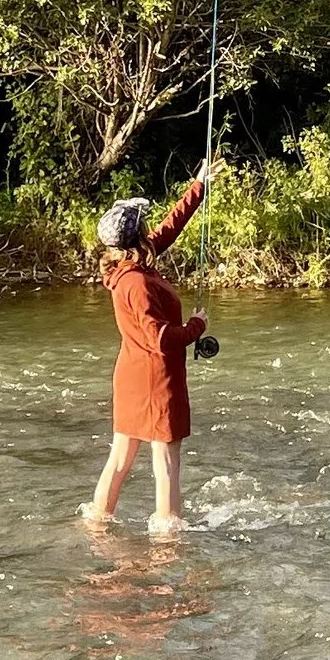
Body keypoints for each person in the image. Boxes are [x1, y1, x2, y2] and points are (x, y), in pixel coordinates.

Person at [83, 166, 215, 537]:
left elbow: (170, 228)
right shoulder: (137, 284)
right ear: (137, 236)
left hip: (131, 375)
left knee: (121, 457)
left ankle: (96, 522)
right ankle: (168, 536)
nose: (149, 228)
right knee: (167, 461)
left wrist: (199, 186)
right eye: (144, 226)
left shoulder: (127, 266)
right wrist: (197, 327)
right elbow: (160, 339)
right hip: (156, 380)